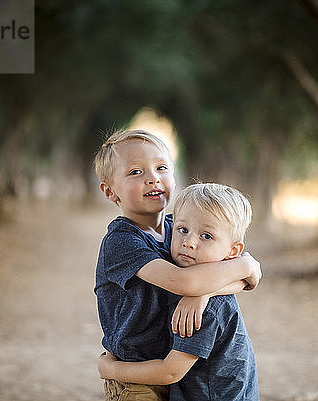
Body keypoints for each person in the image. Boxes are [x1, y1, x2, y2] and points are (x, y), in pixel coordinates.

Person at [93, 130, 261, 401]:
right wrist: (245, 267)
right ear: (110, 191)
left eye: (161, 167)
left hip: (178, 366)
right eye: (135, 172)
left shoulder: (181, 229)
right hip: (136, 374)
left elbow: (246, 275)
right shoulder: (122, 242)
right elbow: (189, 281)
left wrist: (205, 293)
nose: (152, 178)